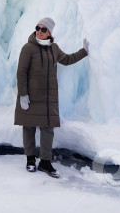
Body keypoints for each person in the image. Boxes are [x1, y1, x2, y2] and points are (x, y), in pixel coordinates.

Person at [14, 16, 89, 178]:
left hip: (48, 97)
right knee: (28, 127)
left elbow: (67, 60)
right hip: (31, 96)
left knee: (48, 129)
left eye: (43, 29)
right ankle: (30, 160)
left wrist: (84, 52)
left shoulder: (54, 48)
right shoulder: (28, 48)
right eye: (37, 28)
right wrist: (23, 94)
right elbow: (21, 72)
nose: (39, 32)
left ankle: (45, 162)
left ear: (49, 32)